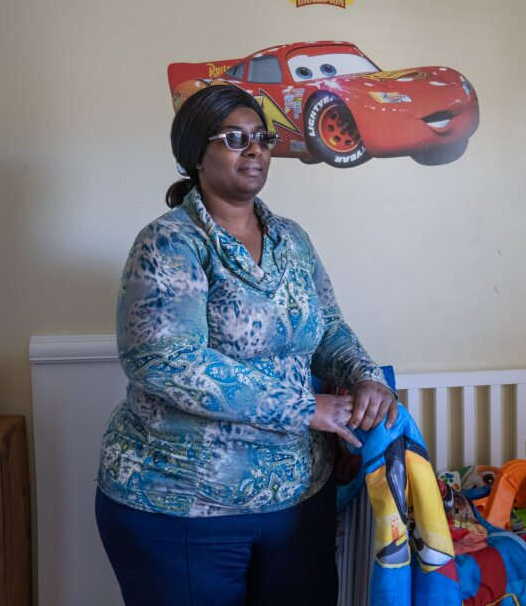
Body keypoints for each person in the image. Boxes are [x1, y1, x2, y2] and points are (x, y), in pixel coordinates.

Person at [95, 84, 398, 606]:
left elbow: (327, 327)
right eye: (236, 138)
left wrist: (364, 376)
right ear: (196, 154)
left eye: (262, 138)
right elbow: (168, 362)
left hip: (298, 504)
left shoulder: (292, 239)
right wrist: (305, 407)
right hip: (183, 508)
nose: (255, 149)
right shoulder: (169, 242)